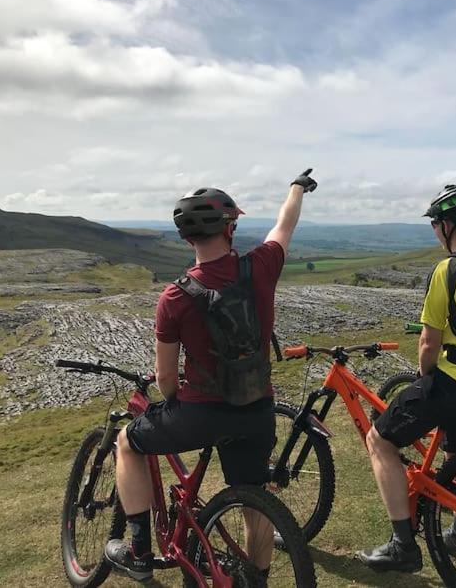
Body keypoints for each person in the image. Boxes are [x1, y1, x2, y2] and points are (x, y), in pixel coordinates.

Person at [104, 170, 317, 582]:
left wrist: (172, 398)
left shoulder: (174, 297)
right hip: (257, 408)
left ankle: (137, 550)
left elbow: (166, 378)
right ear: (231, 228)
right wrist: (296, 187)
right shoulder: (262, 266)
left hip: (201, 413)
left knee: (128, 442)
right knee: (254, 499)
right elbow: (284, 224)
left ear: (187, 238)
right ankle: (257, 578)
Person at [358, 184, 456, 572]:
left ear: (446, 225)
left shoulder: (450, 269)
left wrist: (424, 379)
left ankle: (402, 546)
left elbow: (429, 343)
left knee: (379, 440)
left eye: (434, 223)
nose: (433, 230)